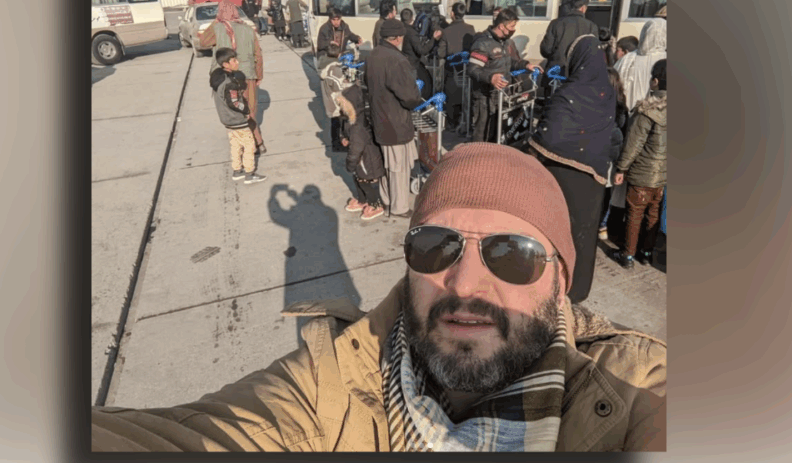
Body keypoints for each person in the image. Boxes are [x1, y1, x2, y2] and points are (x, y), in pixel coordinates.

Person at [91, 143, 667, 452]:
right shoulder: (328, 383)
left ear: (560, 279)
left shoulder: (635, 385)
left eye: (512, 253)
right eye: (437, 246)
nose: (465, 284)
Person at [527, 35, 618, 304]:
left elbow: (549, 136)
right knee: (584, 233)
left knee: (556, 231)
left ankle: (552, 288)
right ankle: (577, 290)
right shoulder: (607, 92)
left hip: (560, 174)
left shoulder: (569, 93)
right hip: (593, 177)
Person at [366, 18, 424, 218]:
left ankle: (387, 198)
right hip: (396, 121)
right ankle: (399, 207)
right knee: (398, 167)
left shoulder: (373, 54)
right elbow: (409, 96)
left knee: (387, 164)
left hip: (379, 118)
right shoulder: (397, 60)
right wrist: (417, 98)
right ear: (399, 38)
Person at [613, 59, 667, 270]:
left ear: (654, 81)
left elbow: (633, 144)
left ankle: (627, 254)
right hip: (662, 175)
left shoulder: (647, 110)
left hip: (642, 172)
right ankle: (646, 253)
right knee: (653, 213)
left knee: (635, 212)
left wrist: (622, 168)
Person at [610, 19, 666, 218]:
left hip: (628, 119)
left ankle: (616, 214)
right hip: (658, 125)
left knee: (622, 164)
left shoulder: (629, 58)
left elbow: (613, 83)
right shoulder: (666, 60)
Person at [200, 0, 267, 154]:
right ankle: (259, 143)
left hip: (225, 78)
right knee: (249, 110)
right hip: (248, 75)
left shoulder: (217, 28)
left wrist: (216, 21)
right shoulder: (248, 29)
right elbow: (258, 54)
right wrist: (259, 75)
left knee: (232, 110)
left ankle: (242, 146)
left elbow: (203, 42)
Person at [467, 7, 541, 143]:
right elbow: (472, 69)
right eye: (512, 26)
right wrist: (491, 78)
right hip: (484, 99)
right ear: (501, 26)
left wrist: (525, 65)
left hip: (502, 97)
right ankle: (478, 160)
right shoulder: (482, 43)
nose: (514, 30)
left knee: (499, 133)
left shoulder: (505, 42)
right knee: (482, 135)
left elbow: (509, 62)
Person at [210, 48, 267, 185]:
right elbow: (234, 102)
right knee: (249, 145)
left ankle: (237, 170)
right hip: (237, 120)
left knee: (235, 145)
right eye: (234, 60)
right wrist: (246, 111)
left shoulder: (218, 78)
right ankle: (249, 173)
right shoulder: (230, 83)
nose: (237, 62)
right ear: (226, 64)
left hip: (227, 119)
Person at [334, 81, 386, 221]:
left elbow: (356, 149)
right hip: (361, 159)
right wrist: (343, 137)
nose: (340, 107)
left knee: (367, 181)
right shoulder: (349, 118)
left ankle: (375, 204)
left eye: (343, 105)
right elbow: (344, 130)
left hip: (367, 160)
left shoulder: (358, 127)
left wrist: (350, 163)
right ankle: (363, 200)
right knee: (358, 179)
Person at [599, 66, 629, 242]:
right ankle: (602, 225)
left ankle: (597, 223)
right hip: (612, 157)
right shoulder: (621, 104)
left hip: (597, 157)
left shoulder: (593, 103)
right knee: (606, 194)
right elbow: (623, 132)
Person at [539, 0, 599, 78]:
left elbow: (546, 50)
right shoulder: (591, 26)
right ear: (583, 8)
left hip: (555, 73)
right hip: (579, 74)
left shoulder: (555, 23)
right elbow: (593, 53)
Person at [439, 2, 477, 128]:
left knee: (452, 100)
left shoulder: (446, 31)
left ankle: (452, 125)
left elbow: (440, 53)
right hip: (467, 71)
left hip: (452, 71)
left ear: (453, 14)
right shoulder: (471, 29)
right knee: (466, 98)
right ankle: (466, 124)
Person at [399, 8, 442, 98]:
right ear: (412, 19)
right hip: (411, 65)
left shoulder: (398, 29)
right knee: (413, 90)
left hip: (401, 62)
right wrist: (433, 39)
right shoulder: (411, 33)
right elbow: (422, 50)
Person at [319, 44, 352, 152]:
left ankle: (335, 143)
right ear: (339, 54)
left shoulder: (323, 66)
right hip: (336, 103)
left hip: (328, 101)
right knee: (340, 125)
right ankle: (339, 145)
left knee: (334, 124)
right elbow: (340, 88)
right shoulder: (335, 69)